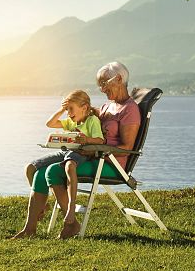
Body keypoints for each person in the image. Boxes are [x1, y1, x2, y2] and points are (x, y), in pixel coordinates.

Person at [12, 61, 141, 239]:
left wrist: (95, 149)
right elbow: (86, 115)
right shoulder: (107, 107)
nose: (102, 89)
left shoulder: (130, 110)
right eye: (100, 85)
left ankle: (71, 223)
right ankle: (30, 229)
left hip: (109, 163)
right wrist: (73, 107)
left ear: (118, 79)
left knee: (52, 171)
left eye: (104, 84)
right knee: (38, 172)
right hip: (91, 155)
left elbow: (127, 148)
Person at [25, 90, 104, 227]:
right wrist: (62, 109)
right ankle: (43, 205)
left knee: (69, 166)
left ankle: (71, 207)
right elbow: (50, 123)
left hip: (81, 152)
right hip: (66, 151)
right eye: (67, 110)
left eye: (71, 109)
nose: (68, 113)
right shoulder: (71, 122)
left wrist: (87, 139)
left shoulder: (92, 121)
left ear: (84, 108)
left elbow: (100, 140)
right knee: (31, 167)